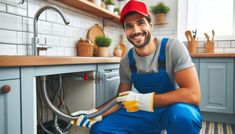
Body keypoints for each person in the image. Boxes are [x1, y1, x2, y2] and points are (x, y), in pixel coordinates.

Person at [71, 0, 202, 133]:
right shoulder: (126, 61)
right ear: (125, 31)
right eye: (129, 26)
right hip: (147, 112)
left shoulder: (172, 48)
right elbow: (120, 99)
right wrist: (95, 113)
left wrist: (144, 100)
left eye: (141, 23)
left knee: (183, 117)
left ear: (150, 25)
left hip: (172, 108)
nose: (136, 31)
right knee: (100, 129)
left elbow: (193, 94)